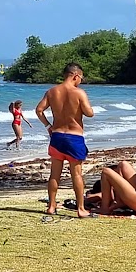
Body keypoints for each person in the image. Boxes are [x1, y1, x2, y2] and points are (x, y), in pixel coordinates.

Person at [35, 62, 94, 218]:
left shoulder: (52, 92)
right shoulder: (79, 93)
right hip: (74, 137)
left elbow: (39, 110)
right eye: (81, 78)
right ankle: (81, 209)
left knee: (55, 174)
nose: (81, 80)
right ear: (75, 75)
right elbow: (89, 113)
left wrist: (48, 126)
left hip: (57, 136)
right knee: (76, 174)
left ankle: (51, 206)